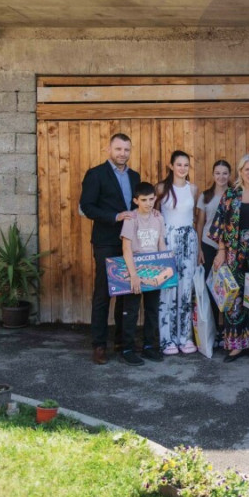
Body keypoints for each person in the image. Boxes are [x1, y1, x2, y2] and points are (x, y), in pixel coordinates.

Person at [80, 133, 141, 365]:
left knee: (126, 293)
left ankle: (122, 342)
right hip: (106, 241)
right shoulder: (96, 174)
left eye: (126, 149)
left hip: (130, 242)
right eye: (118, 149)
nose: (122, 153)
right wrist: (115, 216)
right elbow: (87, 207)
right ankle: (99, 345)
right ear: (109, 149)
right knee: (103, 293)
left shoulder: (135, 176)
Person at [209, 154, 249, 362]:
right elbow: (220, 224)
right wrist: (221, 250)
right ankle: (236, 346)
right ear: (240, 171)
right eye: (247, 169)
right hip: (233, 254)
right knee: (234, 300)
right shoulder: (230, 194)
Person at [117, 182, 166, 366]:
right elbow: (126, 248)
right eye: (144, 200)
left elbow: (161, 243)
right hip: (135, 268)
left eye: (151, 199)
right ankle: (127, 349)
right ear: (136, 200)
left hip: (154, 268)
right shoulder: (131, 219)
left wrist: (164, 267)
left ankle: (149, 346)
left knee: (152, 309)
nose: (148, 203)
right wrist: (133, 275)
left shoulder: (158, 218)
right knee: (131, 311)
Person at [156, 150, 200, 355]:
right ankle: (167, 339)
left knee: (186, 288)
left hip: (188, 240)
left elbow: (194, 216)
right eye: (179, 164)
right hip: (168, 240)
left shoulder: (193, 189)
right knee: (168, 288)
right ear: (171, 166)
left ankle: (185, 337)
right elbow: (155, 215)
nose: (182, 168)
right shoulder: (162, 188)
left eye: (186, 165)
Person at [195, 159, 232, 336]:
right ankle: (214, 331)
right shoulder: (206, 196)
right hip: (208, 246)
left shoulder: (234, 195)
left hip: (228, 248)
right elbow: (200, 223)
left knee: (227, 289)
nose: (221, 176)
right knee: (211, 289)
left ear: (230, 175)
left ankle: (228, 330)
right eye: (218, 173)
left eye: (225, 173)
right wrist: (199, 248)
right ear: (213, 175)